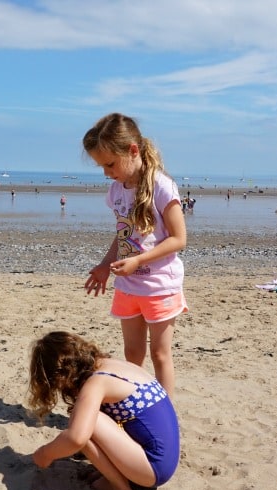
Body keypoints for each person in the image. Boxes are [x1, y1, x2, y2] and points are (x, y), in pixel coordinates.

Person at [82, 113, 187, 398]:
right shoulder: (116, 190)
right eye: (101, 166)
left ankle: (163, 411)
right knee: (133, 353)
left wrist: (139, 261)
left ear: (133, 150)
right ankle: (136, 403)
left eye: (110, 164)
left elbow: (179, 238)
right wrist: (105, 265)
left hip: (159, 285)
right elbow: (124, 234)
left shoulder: (162, 187)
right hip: (128, 285)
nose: (106, 172)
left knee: (159, 354)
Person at [28, 331, 180, 490]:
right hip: (166, 460)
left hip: (153, 469)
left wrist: (44, 454)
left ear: (60, 376)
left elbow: (75, 438)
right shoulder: (112, 365)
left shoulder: (96, 383)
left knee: (82, 424)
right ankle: (120, 473)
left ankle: (119, 487)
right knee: (86, 419)